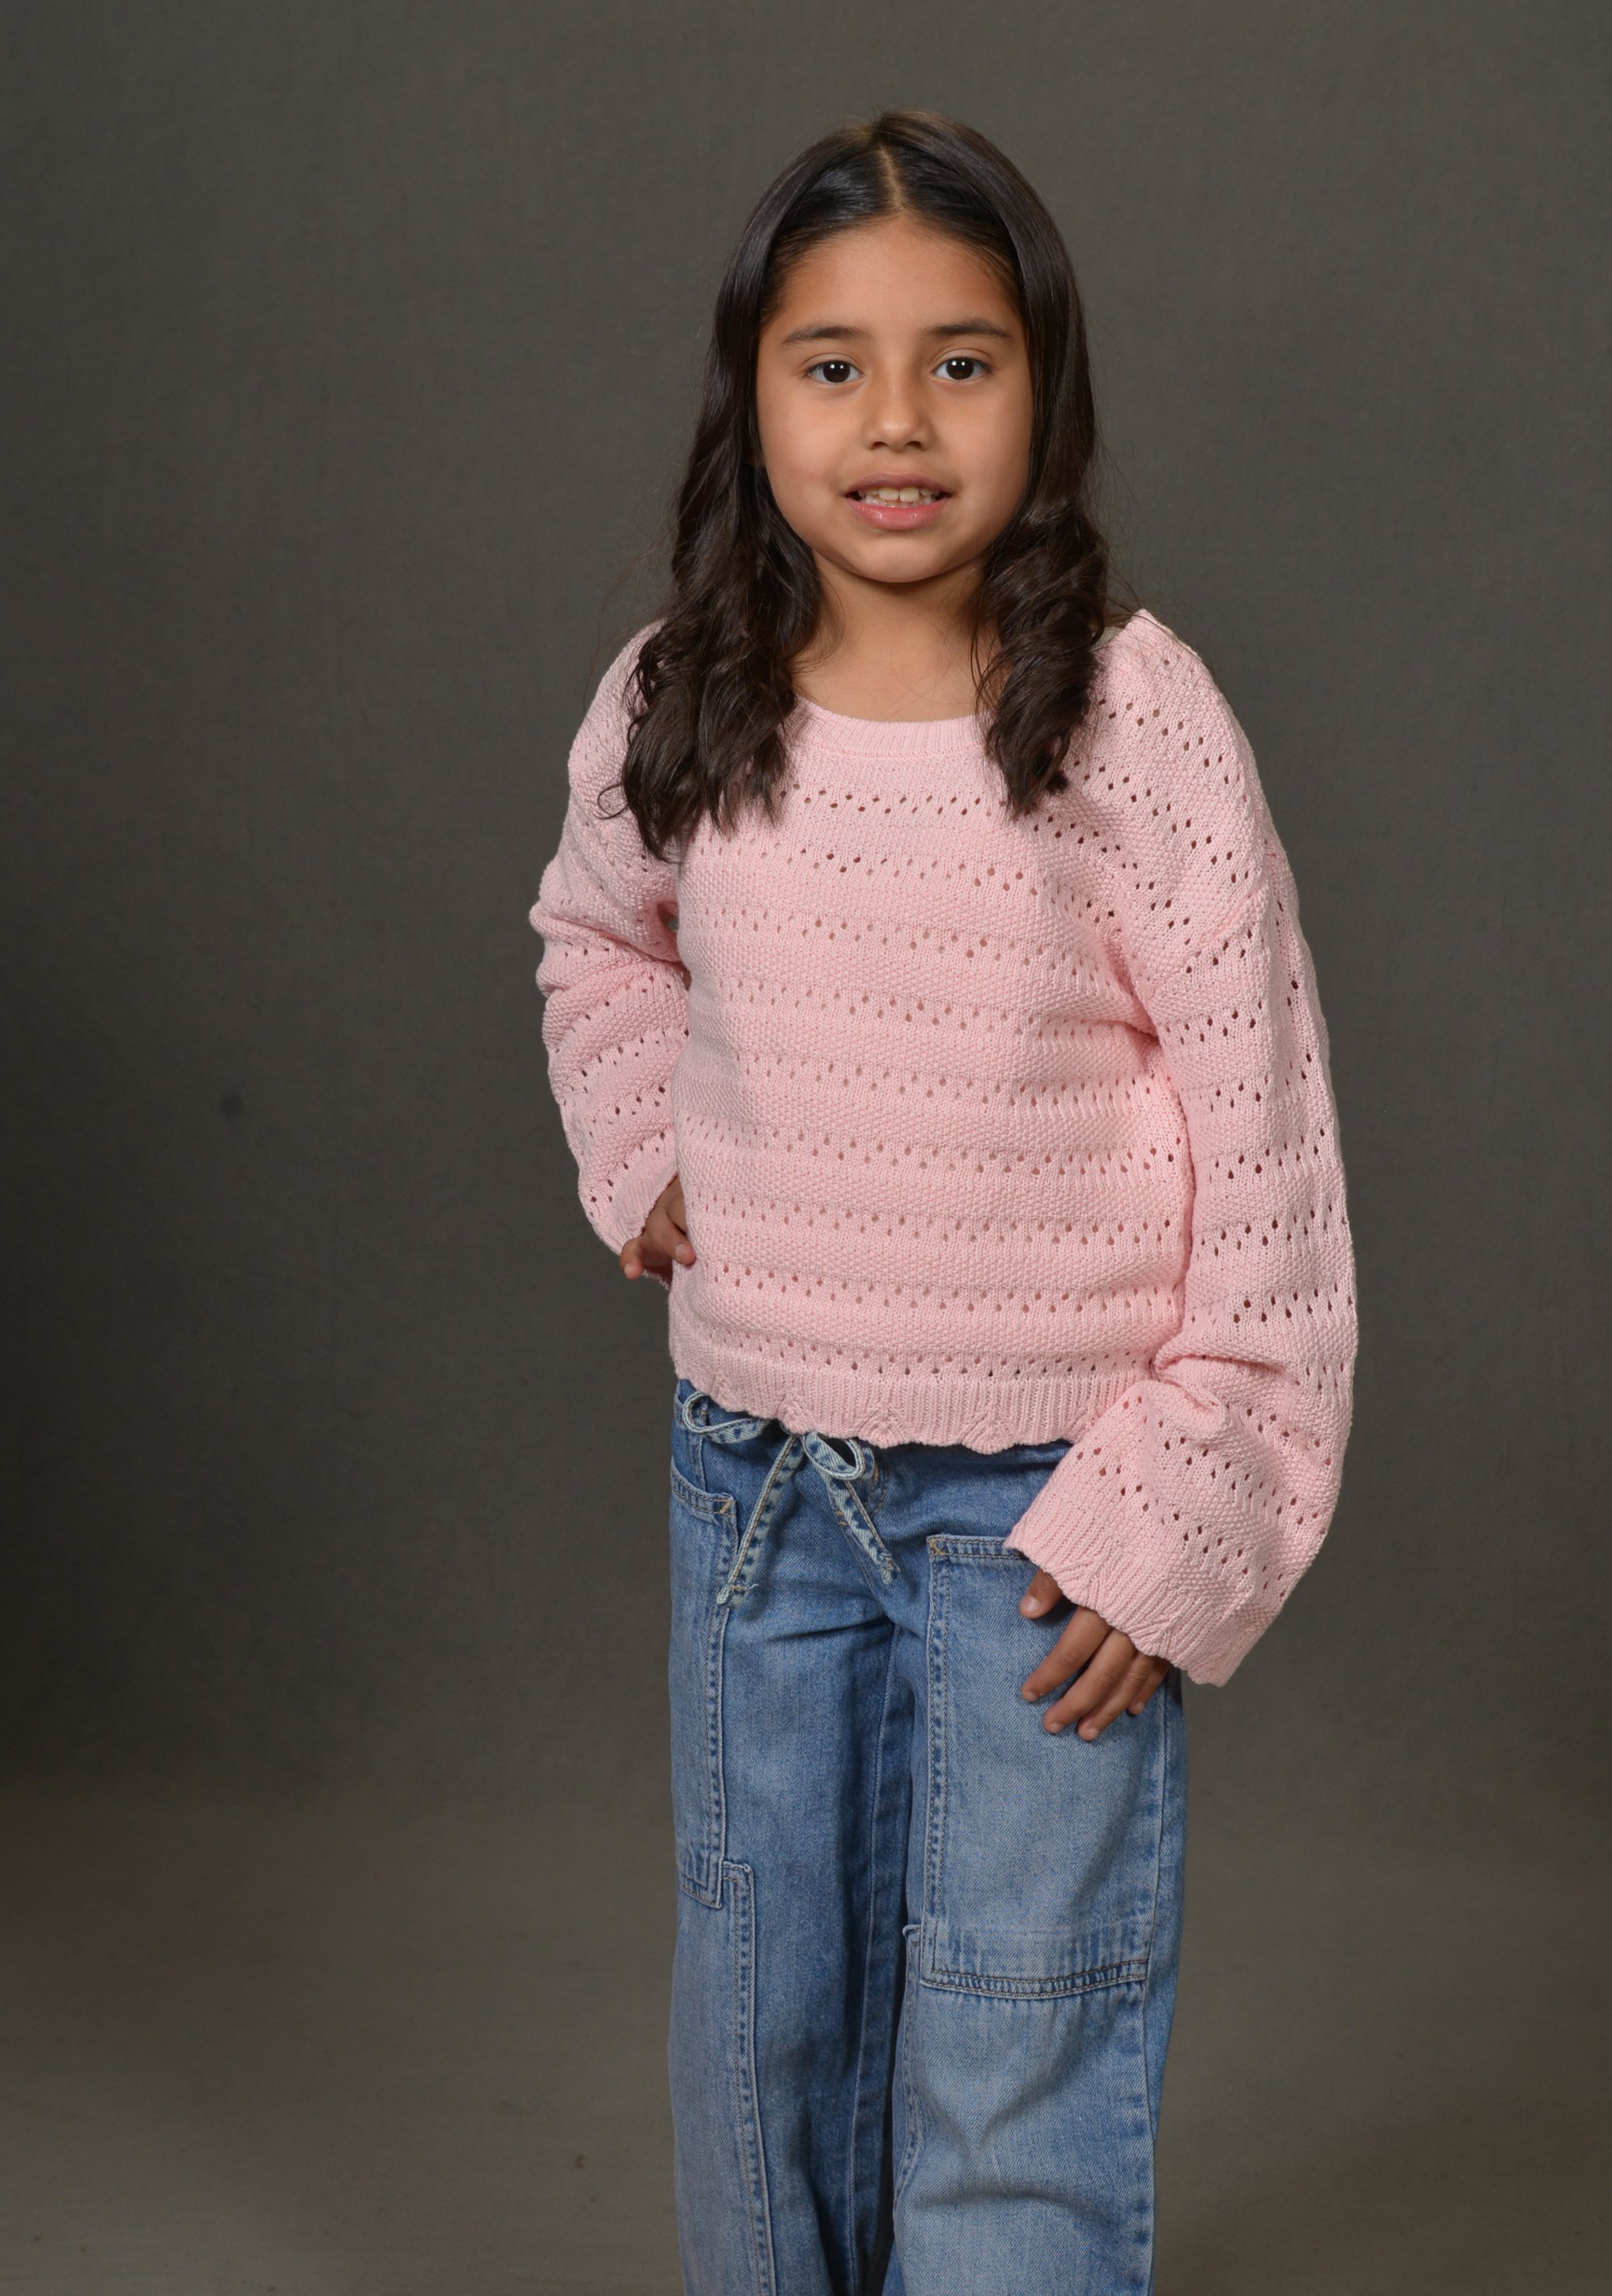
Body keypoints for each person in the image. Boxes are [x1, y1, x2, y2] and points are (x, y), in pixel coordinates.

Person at [531, 108, 1356, 2296]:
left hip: (1046, 1517)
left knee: (1015, 2030)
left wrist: (1193, 1499)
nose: (896, 420)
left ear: (1044, 391)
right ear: (753, 395)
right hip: (754, 1493)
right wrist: (647, 1143)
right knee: (763, 2018)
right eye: (835, 364)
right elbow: (596, 940)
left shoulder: (1129, 721)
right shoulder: (679, 701)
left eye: (960, 362)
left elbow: (1268, 1138)